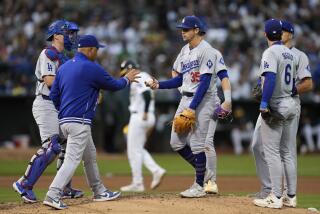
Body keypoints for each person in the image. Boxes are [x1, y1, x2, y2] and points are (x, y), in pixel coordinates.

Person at [43, 35, 140, 210]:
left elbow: (53, 96)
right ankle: (53, 193)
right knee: (72, 160)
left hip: (65, 120)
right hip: (79, 120)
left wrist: (65, 110)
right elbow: (114, 85)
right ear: (90, 50)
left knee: (90, 155)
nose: (97, 52)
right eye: (97, 49)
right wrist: (127, 79)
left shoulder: (64, 68)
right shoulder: (91, 67)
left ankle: (99, 190)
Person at [146, 15, 230, 198]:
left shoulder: (206, 50)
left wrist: (192, 108)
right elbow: (179, 79)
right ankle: (206, 173)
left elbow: (205, 82)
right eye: (182, 29)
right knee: (176, 142)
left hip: (204, 100)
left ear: (197, 30)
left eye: (186, 29)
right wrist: (158, 84)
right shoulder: (184, 50)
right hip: (185, 98)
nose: (182, 32)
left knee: (199, 144)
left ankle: (199, 186)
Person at [12, 20, 83, 203]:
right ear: (57, 35)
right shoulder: (48, 53)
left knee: (69, 145)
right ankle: (24, 184)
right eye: (68, 33)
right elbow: (50, 81)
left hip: (58, 106)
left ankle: (64, 187)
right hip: (45, 104)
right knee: (52, 146)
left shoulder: (64, 58)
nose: (71, 37)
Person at [251, 20, 313, 208]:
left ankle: (276, 197)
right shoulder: (290, 54)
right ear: (280, 34)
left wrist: (263, 102)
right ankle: (290, 196)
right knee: (286, 151)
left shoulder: (271, 52)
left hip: (278, 104)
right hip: (290, 104)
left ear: (266, 34)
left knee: (272, 152)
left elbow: (270, 78)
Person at [119, 60, 166, 192]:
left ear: (131, 68)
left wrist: (144, 111)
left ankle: (138, 183)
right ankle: (155, 170)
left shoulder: (139, 76)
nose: (125, 75)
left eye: (126, 71)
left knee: (133, 150)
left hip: (140, 115)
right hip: (146, 115)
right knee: (137, 148)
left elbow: (145, 94)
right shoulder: (145, 76)